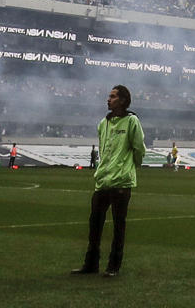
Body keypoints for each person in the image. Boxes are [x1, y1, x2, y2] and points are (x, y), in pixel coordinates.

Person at [71, 84, 145, 278]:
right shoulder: (102, 123)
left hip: (121, 181)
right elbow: (104, 152)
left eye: (112, 97)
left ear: (122, 100)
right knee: (94, 223)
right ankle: (91, 264)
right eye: (109, 96)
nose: (108, 99)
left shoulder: (131, 121)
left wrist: (129, 167)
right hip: (102, 181)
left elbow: (139, 149)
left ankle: (114, 266)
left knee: (119, 225)